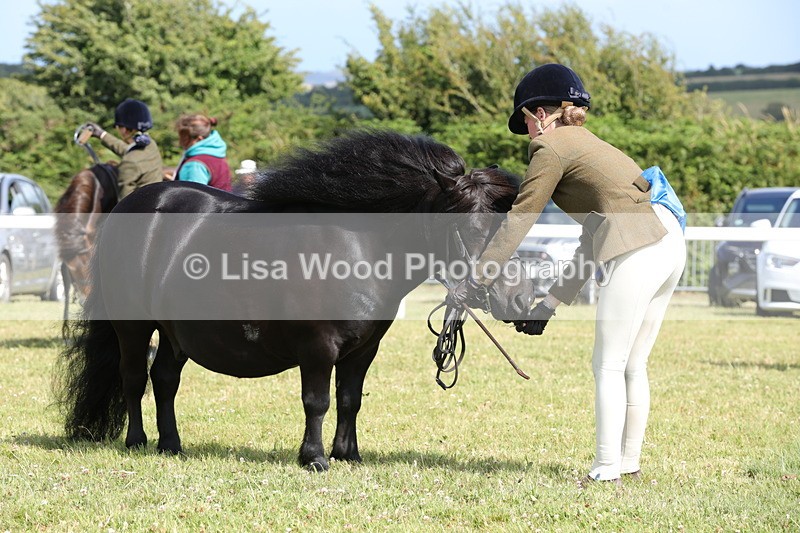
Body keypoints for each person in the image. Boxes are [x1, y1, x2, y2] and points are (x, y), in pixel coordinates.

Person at [449, 63, 687, 485]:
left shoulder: (550, 149)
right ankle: (628, 463)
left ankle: (606, 470)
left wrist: (477, 280)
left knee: (608, 365)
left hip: (639, 246)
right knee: (633, 364)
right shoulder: (593, 146)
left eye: (526, 120)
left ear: (542, 114)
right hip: (669, 243)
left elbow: (520, 218)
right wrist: (548, 305)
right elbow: (592, 238)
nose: (527, 131)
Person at [87, 98, 164, 199]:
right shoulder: (151, 145)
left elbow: (124, 204)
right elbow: (129, 151)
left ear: (124, 130)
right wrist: (102, 134)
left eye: (118, 126)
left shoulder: (129, 162)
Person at [173, 114, 232, 191]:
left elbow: (192, 196)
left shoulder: (195, 165)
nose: (180, 143)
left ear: (199, 139)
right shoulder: (217, 154)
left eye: (184, 139)